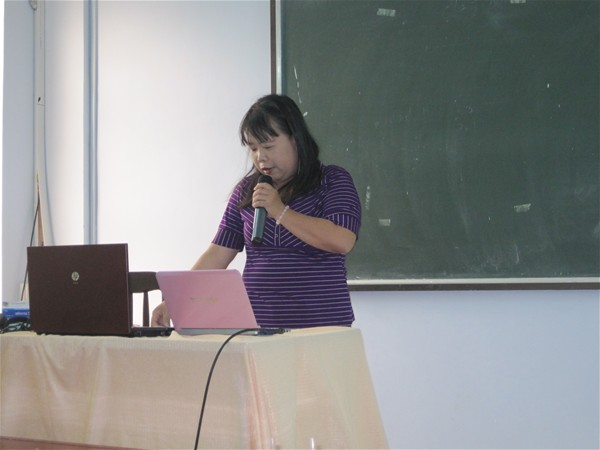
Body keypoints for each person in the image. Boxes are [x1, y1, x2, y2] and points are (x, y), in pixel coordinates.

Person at [152, 94, 361, 329]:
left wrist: (280, 211)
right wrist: (177, 300)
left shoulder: (332, 180)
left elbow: (341, 239)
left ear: (296, 140)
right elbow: (218, 253)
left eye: (268, 146)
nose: (260, 157)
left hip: (322, 327)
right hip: (258, 328)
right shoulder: (247, 190)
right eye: (253, 148)